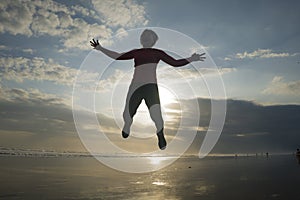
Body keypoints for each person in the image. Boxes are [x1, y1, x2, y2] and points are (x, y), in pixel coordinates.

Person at [90, 29, 205, 150]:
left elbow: (175, 63)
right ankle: (128, 124)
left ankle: (160, 134)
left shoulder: (158, 53)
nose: (145, 38)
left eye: (148, 36)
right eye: (143, 36)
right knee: (127, 114)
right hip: (135, 87)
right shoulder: (136, 52)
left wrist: (191, 59)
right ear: (141, 40)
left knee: (156, 116)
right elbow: (117, 56)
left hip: (150, 87)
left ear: (153, 40)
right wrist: (100, 48)